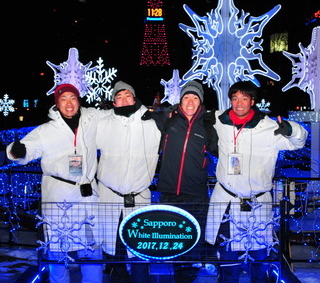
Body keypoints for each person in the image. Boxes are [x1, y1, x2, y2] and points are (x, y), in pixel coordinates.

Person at [205, 81, 308, 283]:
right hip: (227, 201)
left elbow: (298, 142)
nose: (239, 103)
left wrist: (291, 129)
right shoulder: (219, 120)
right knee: (228, 264)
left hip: (257, 204)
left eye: (244, 98)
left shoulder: (270, 127)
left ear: (253, 101)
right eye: (235, 98)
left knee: (260, 262)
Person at [6, 84, 107, 283]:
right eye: (63, 99)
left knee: (92, 251)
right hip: (60, 198)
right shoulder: (46, 130)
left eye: (73, 98)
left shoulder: (92, 121)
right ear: (57, 103)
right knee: (58, 253)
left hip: (88, 196)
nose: (69, 103)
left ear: (79, 101)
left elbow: (118, 117)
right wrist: (17, 151)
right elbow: (26, 149)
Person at [96, 81, 161, 283]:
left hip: (139, 197)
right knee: (114, 254)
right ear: (114, 102)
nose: (124, 100)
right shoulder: (103, 123)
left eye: (127, 95)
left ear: (134, 98)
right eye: (119, 96)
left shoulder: (151, 123)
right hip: (110, 197)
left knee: (140, 250)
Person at [155, 80, 218, 283]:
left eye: (195, 97)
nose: (190, 102)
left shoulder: (208, 126)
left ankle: (188, 278)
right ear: (180, 100)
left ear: (200, 101)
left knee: (192, 243)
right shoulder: (168, 121)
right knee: (174, 241)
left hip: (196, 195)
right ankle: (178, 277)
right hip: (169, 194)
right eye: (186, 97)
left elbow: (224, 149)